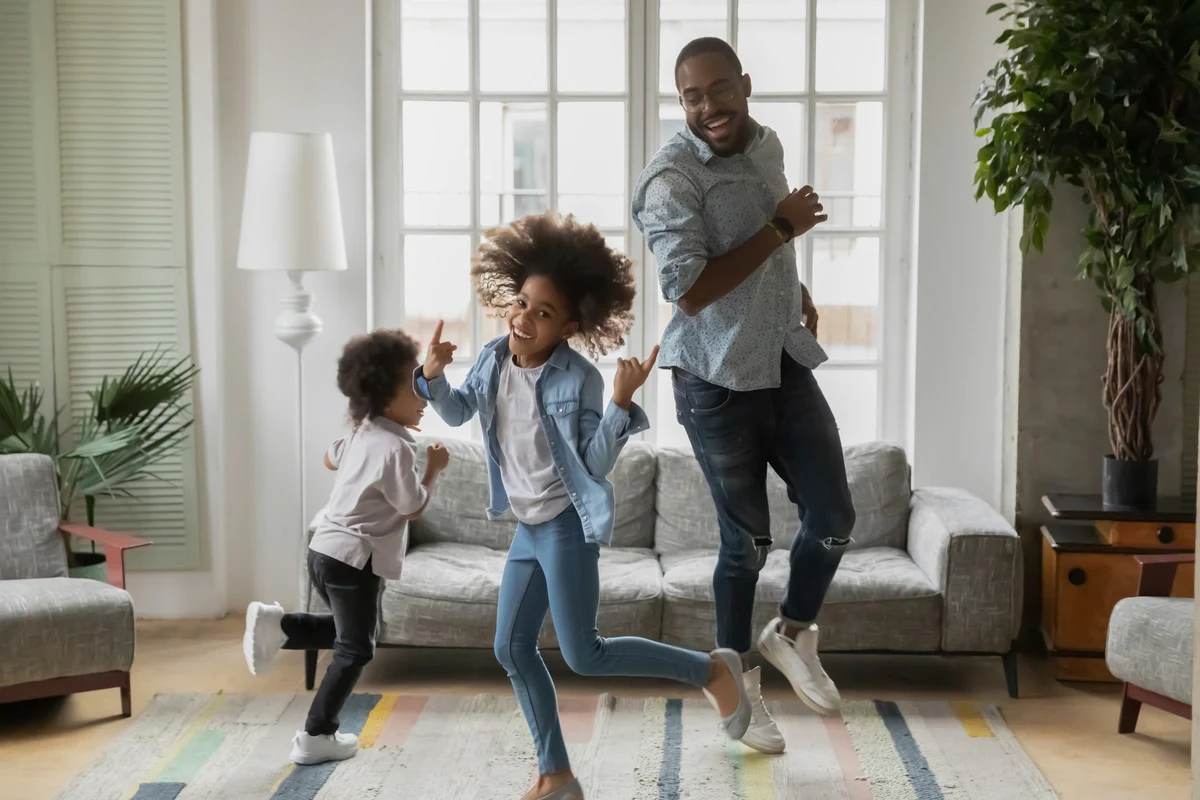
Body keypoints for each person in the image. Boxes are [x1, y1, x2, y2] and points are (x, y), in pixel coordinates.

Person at [415, 213, 750, 800]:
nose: (524, 318)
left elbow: (593, 464)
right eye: (521, 303)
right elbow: (458, 412)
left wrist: (621, 403)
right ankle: (557, 774)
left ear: (571, 324)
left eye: (543, 313)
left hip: (565, 526)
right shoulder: (494, 359)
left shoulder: (580, 379)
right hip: (526, 527)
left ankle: (713, 672)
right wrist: (432, 376)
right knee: (511, 647)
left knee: (585, 655)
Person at [632, 36, 856, 755]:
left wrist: (794, 285)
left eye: (718, 89)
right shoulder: (669, 180)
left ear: (745, 84)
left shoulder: (767, 146)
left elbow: (765, 247)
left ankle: (790, 633)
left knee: (834, 517)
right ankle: (737, 689)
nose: (708, 107)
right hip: (714, 379)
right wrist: (783, 227)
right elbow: (690, 290)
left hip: (782, 358)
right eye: (692, 97)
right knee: (747, 544)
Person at [241, 329, 450, 765]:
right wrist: (432, 469)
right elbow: (412, 507)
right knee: (358, 649)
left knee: (348, 636)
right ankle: (316, 735)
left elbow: (329, 456)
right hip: (354, 561)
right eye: (415, 384)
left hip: (324, 552)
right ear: (385, 395)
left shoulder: (363, 431)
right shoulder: (395, 447)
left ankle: (278, 628)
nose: (424, 395)